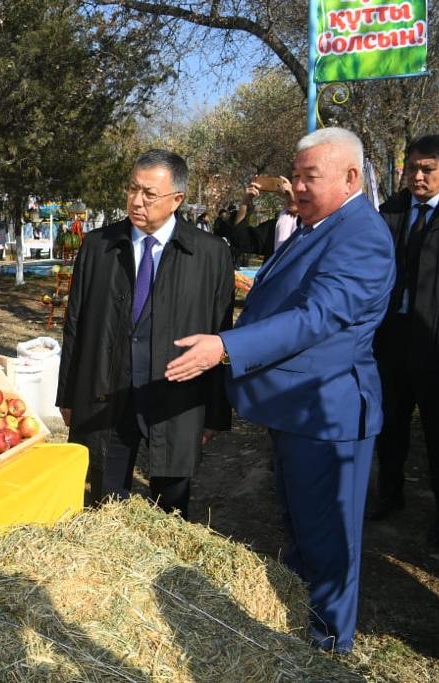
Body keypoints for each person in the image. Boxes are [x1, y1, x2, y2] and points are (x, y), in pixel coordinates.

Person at [163, 127, 395, 653]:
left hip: (327, 413)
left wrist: (225, 346)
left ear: (350, 177)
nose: (297, 187)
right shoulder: (321, 224)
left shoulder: (361, 234)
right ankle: (297, 620)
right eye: (295, 175)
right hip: (298, 407)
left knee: (329, 542)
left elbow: (316, 317)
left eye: (309, 177)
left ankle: (328, 646)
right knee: (300, 527)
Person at [56, 149, 234, 518]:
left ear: (177, 200)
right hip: (108, 391)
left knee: (171, 506)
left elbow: (221, 333)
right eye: (132, 189)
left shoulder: (210, 254)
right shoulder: (98, 247)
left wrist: (216, 413)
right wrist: (69, 394)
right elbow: (75, 323)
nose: (137, 201)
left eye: (149, 194)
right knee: (104, 501)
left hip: (176, 396)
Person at [368, 134, 439, 546]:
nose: (416, 176)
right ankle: (389, 495)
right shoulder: (390, 212)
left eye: (427, 169)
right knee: (390, 424)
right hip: (391, 338)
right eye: (411, 167)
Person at [231, 176, 299, 258]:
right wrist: (245, 202)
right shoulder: (275, 227)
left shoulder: (314, 228)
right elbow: (242, 239)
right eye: (287, 194)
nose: (289, 196)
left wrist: (296, 203)